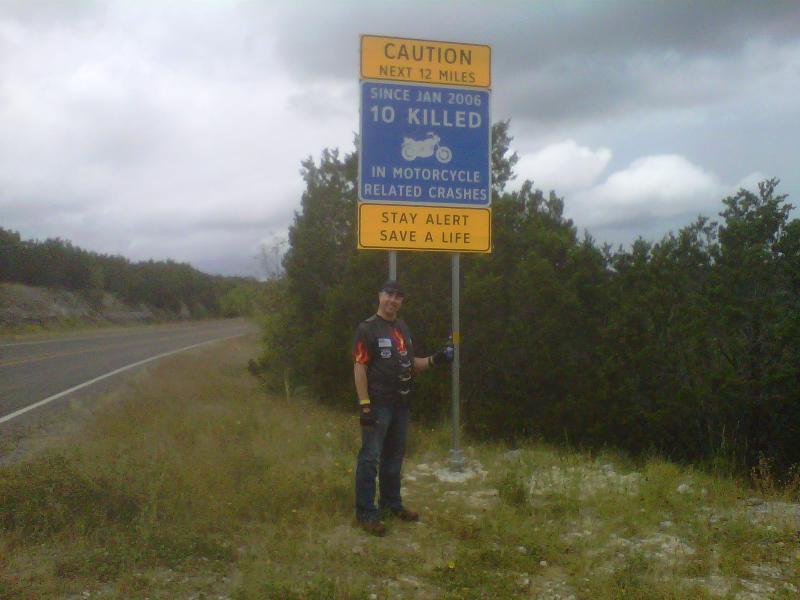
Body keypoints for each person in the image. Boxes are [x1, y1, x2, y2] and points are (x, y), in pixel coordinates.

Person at [352, 279, 453, 536]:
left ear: (401, 301)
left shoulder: (402, 328)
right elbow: (360, 367)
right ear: (380, 296)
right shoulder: (367, 329)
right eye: (389, 294)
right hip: (378, 404)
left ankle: (391, 504)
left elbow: (410, 363)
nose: (393, 300)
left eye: (398, 296)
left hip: (401, 404)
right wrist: (365, 405)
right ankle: (366, 513)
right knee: (370, 458)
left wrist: (436, 359)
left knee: (394, 458)